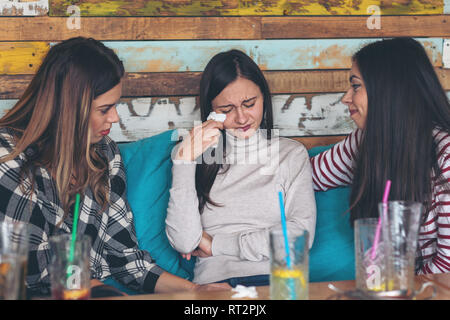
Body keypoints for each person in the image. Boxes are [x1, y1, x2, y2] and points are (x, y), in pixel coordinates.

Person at [0, 37, 230, 297]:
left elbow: (127, 261)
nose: (115, 118)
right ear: (68, 109)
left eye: (116, 105)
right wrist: (103, 292)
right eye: (104, 109)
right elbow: (33, 272)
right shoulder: (8, 156)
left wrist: (196, 289)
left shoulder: (105, 153)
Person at [165, 49, 316, 287]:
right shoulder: (196, 157)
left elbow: (299, 237)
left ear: (264, 97)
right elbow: (185, 242)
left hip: (274, 282)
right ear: (211, 110)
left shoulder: (291, 154)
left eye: (249, 103)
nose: (242, 117)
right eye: (226, 110)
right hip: (215, 284)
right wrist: (183, 161)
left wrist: (216, 245)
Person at [310, 37, 450, 274]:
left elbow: (447, 267)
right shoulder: (366, 139)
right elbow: (308, 175)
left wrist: (394, 289)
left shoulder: (446, 159)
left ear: (388, 91)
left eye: (355, 86)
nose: (345, 98)